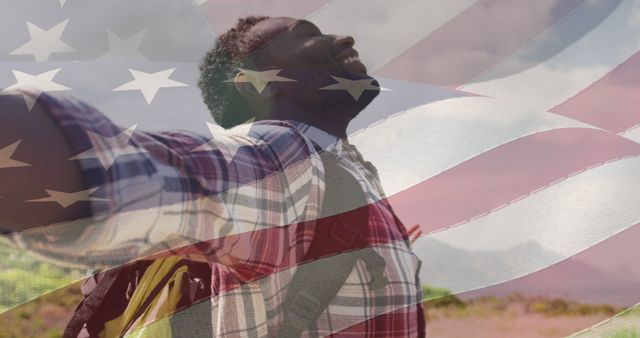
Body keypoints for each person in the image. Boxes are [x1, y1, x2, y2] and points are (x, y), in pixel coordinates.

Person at [1, 16, 425, 337]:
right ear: (254, 85)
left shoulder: (342, 171)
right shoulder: (286, 159)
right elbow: (161, 173)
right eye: (308, 35)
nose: (343, 38)